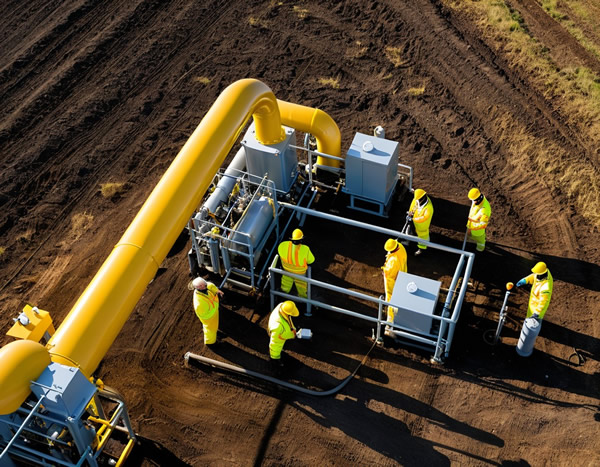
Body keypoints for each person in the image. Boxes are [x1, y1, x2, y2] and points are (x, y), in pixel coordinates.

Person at [277, 228, 315, 298]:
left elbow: (280, 254)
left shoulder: (282, 245)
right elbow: (311, 261)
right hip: (300, 273)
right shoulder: (305, 249)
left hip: (286, 270)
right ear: (301, 239)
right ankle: (303, 298)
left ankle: (282, 294)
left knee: (286, 282)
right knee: (301, 285)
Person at [189, 277, 224, 345]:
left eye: (204, 284)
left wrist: (217, 291)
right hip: (208, 317)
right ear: (198, 287)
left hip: (213, 311)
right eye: (202, 286)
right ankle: (210, 342)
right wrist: (214, 309)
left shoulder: (206, 286)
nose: (205, 286)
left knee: (215, 326)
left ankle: (215, 333)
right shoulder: (199, 303)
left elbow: (211, 286)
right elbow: (204, 315)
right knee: (210, 329)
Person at [381, 238, 407, 325]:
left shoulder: (393, 261)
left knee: (390, 297)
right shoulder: (401, 247)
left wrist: (384, 270)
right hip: (402, 274)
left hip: (394, 280)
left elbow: (389, 274)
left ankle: (390, 318)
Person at [268, 300, 299, 366]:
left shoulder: (282, 306)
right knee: (276, 347)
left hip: (282, 334)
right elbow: (274, 343)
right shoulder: (277, 326)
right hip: (279, 337)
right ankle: (274, 359)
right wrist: (274, 357)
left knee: (278, 346)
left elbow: (288, 320)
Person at [408, 188, 434, 256]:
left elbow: (424, 218)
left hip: (422, 227)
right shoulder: (417, 199)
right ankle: (410, 240)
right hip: (414, 223)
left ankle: (421, 249)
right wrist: (411, 212)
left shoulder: (429, 208)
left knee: (423, 238)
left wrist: (414, 219)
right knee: (411, 231)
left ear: (421, 199)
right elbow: (413, 206)